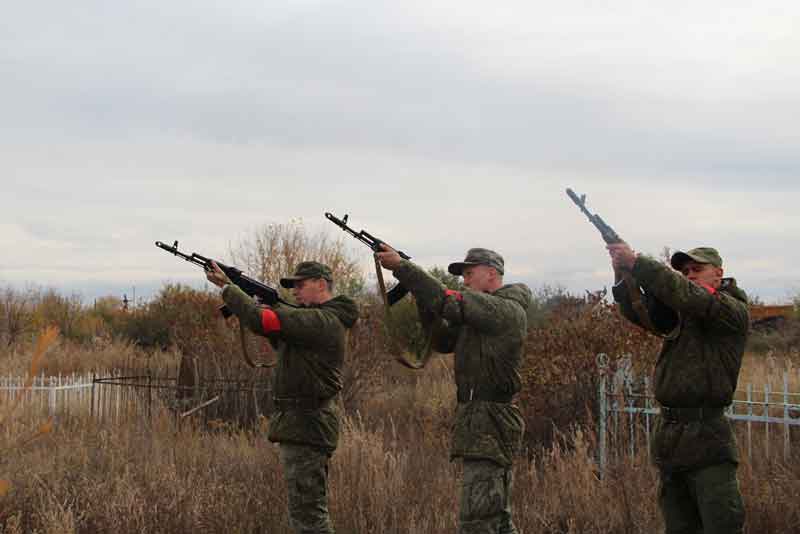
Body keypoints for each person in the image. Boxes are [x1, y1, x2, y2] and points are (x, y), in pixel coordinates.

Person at [377, 246, 531, 534]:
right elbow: (443, 341)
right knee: (495, 519)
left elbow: (451, 302)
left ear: (492, 274)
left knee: (478, 521)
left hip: (491, 423)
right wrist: (423, 300)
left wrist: (404, 269)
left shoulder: (504, 310)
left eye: (470, 274)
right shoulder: (481, 317)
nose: (466, 281)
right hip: (480, 421)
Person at [206, 260, 358, 534]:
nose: (295, 291)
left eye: (301, 284)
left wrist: (229, 288)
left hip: (308, 425)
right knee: (305, 512)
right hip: (303, 425)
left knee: (309, 518)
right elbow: (275, 330)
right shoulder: (312, 321)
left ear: (321, 284)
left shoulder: (323, 321)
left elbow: (265, 321)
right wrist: (249, 300)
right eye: (293, 286)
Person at [607, 244, 748, 534]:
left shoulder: (729, 310)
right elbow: (642, 312)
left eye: (697, 270)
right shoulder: (685, 316)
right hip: (671, 439)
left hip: (708, 439)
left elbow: (687, 295)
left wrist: (637, 262)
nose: (689, 275)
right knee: (678, 527)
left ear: (719, 274)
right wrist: (623, 276)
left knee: (722, 524)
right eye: (684, 271)